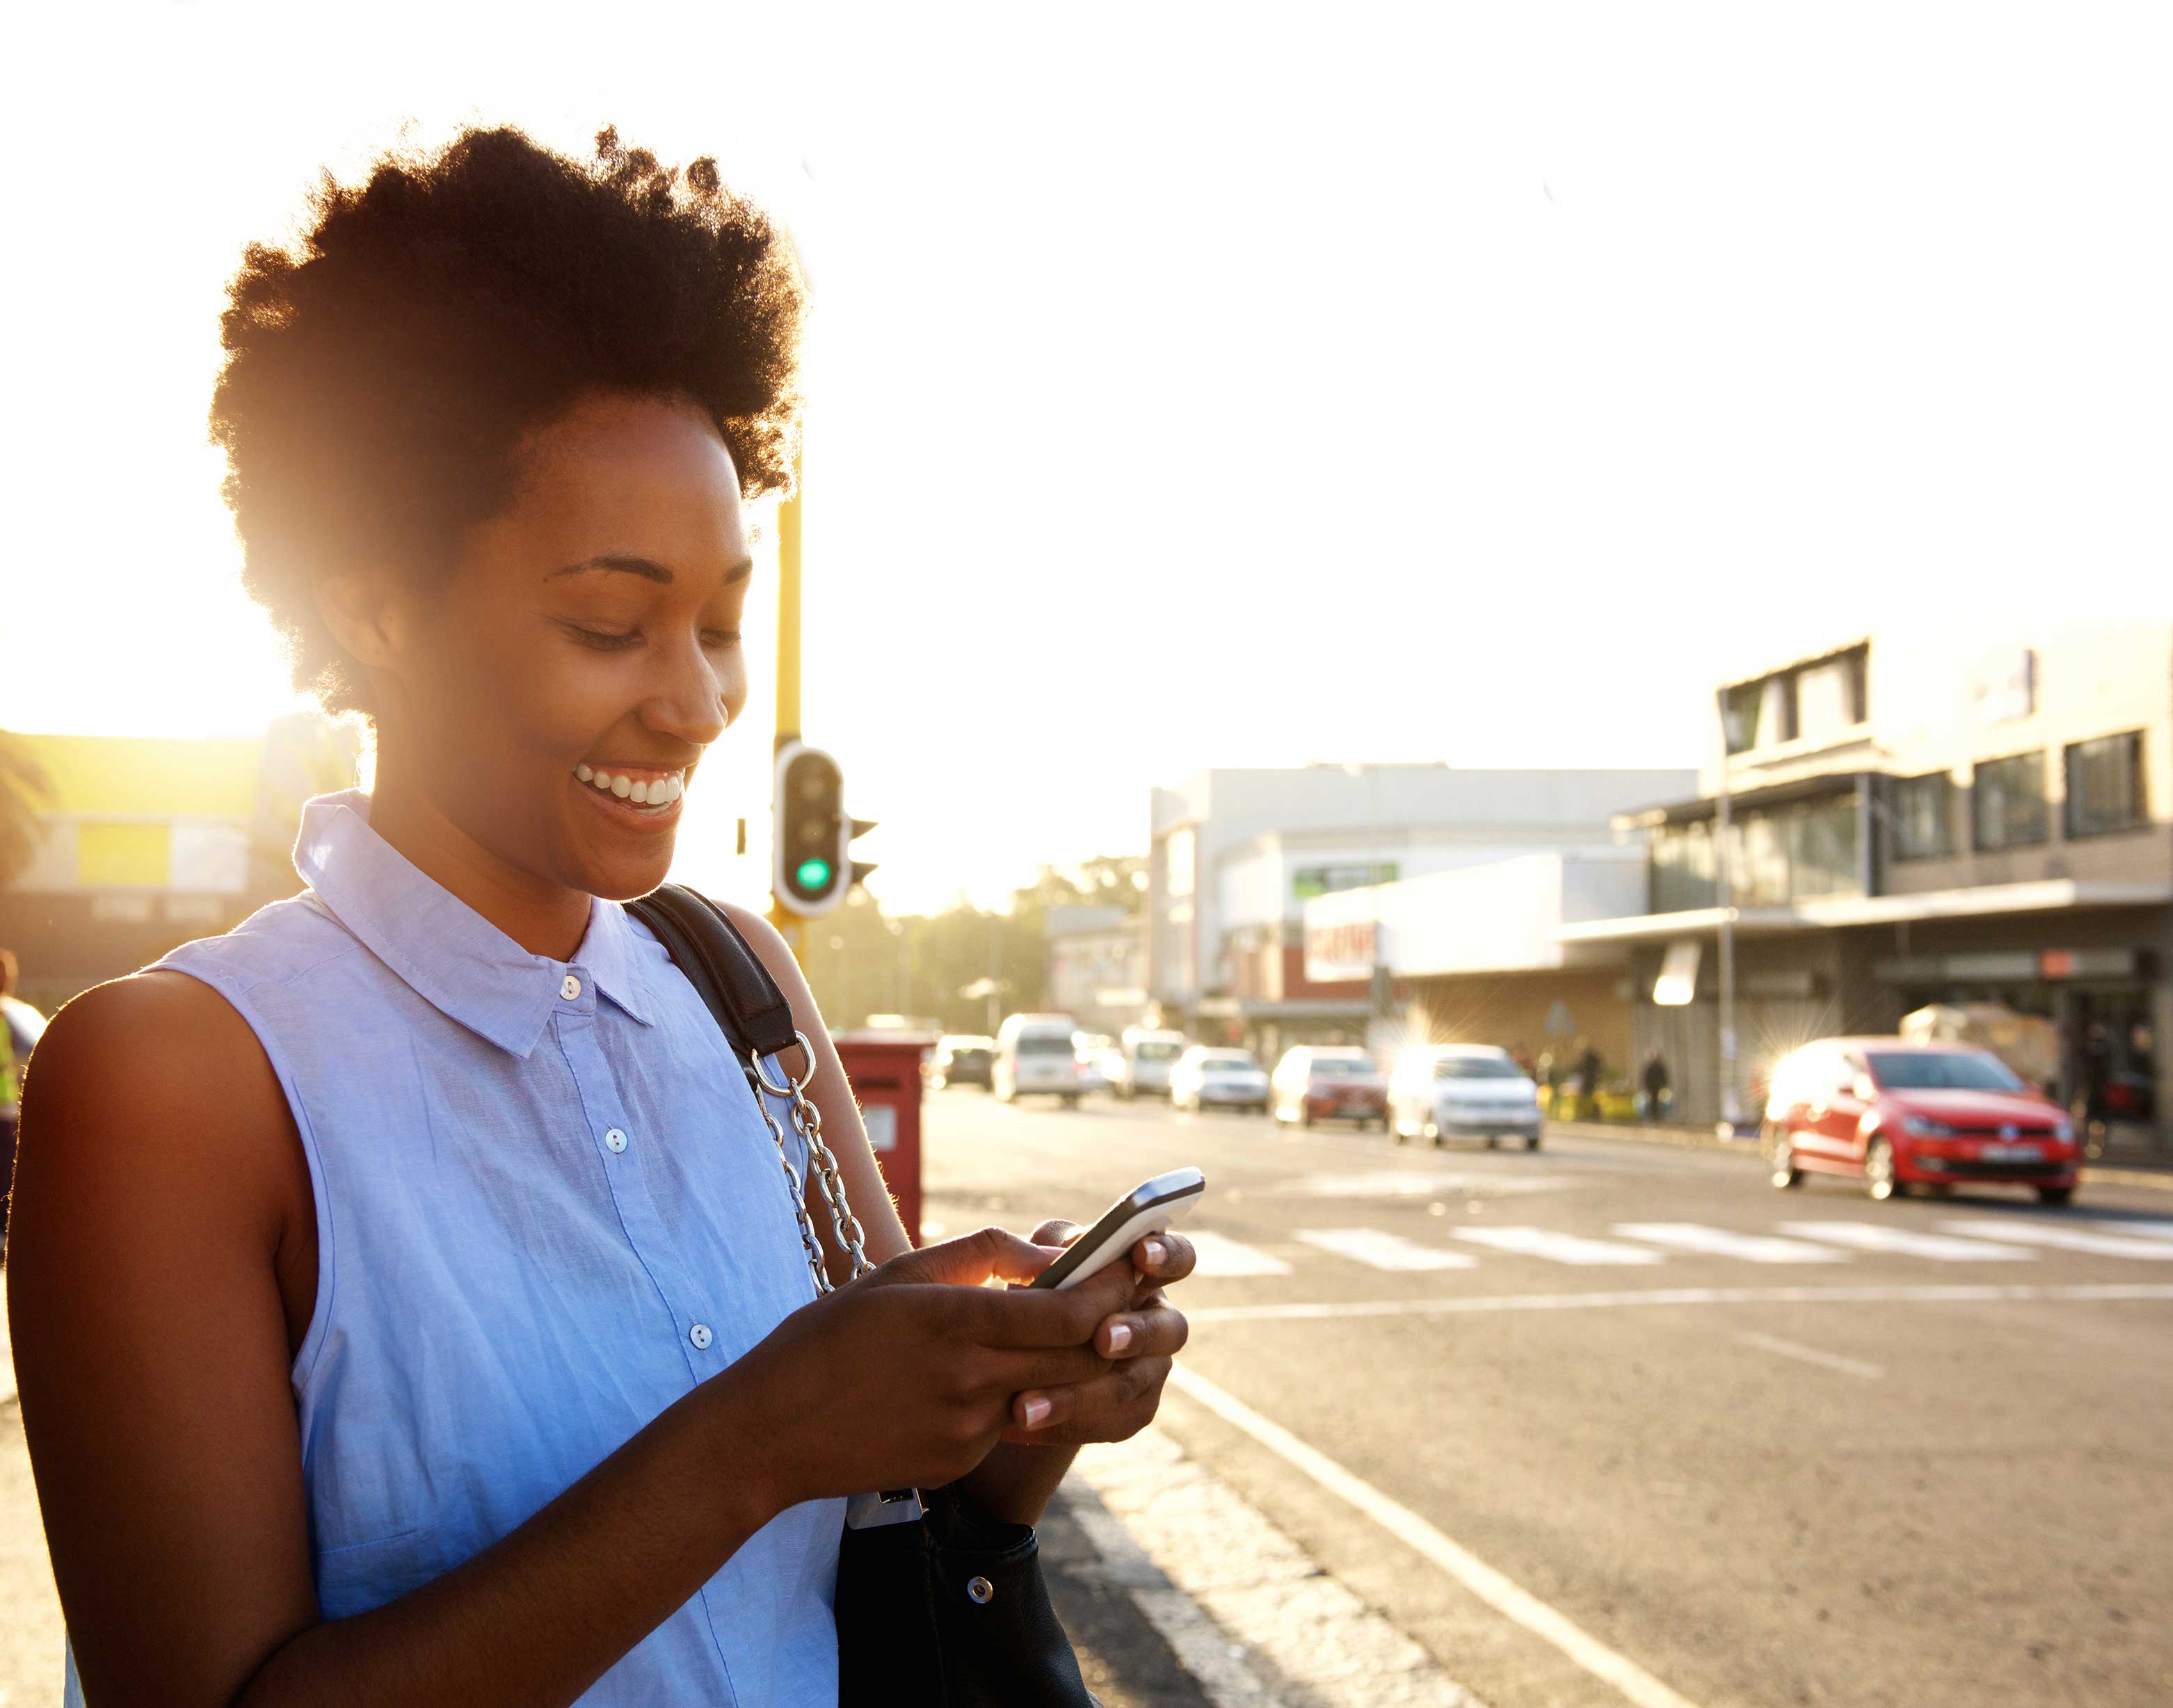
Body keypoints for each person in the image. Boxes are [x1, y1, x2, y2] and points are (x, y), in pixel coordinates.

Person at [8, 127, 1196, 1708]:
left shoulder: (734, 977)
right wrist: (758, 1434)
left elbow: (883, 1531)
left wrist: (1015, 1406)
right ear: (376, 603)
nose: (695, 700)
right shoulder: (172, 1080)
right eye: (609, 621)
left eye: (716, 621)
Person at [1640, 1047, 1671, 1122]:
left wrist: (1664, 1084)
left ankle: (1657, 1116)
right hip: (1651, 1087)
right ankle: (1653, 1116)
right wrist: (1645, 1086)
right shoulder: (1650, 1067)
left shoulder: (1659, 1066)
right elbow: (1646, 1077)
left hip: (1658, 1086)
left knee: (1659, 1102)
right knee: (1652, 1101)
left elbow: (1663, 1076)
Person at [1577, 1040, 1604, 1120]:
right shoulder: (1591, 1057)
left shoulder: (1587, 1058)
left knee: (1587, 1098)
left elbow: (1582, 1069)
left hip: (1589, 1081)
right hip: (1591, 1081)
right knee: (1590, 1098)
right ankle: (1592, 1113)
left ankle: (1589, 1113)